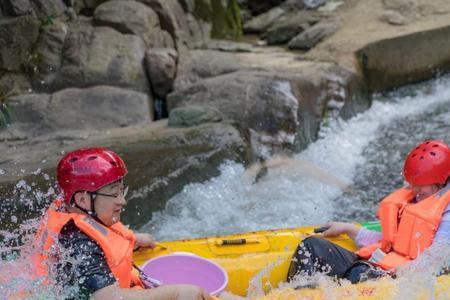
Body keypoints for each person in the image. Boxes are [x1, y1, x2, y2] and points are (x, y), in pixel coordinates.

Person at [33, 147, 213, 300]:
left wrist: (134, 238)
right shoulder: (79, 244)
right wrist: (175, 293)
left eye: (122, 191)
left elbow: (104, 236)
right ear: (82, 200)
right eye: (114, 194)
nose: (122, 201)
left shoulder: (77, 213)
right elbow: (108, 297)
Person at [287, 140, 450, 285]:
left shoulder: (446, 212)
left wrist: (397, 273)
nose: (414, 189)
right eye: (412, 183)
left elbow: (437, 258)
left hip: (404, 279)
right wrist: (348, 228)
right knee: (311, 246)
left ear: (441, 181)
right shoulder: (414, 200)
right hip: (378, 268)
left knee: (359, 273)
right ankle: (301, 294)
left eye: (420, 185)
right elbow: (391, 242)